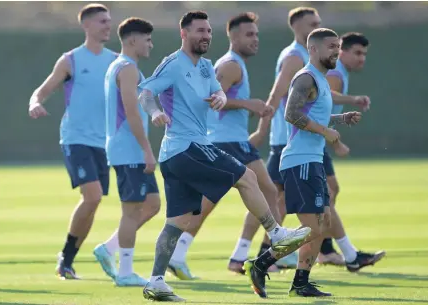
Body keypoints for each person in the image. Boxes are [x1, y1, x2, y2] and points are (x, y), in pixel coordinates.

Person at [138, 11, 311, 302]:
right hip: (186, 146)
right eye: (199, 31)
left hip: (180, 153)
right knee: (247, 177)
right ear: (184, 34)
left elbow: (218, 94)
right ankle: (276, 233)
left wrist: (219, 98)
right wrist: (156, 112)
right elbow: (145, 92)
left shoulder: (206, 66)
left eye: (208, 31)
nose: (205, 36)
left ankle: (156, 281)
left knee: (177, 222)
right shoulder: (173, 63)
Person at [245, 28, 364, 298]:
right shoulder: (306, 77)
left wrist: (340, 118)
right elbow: (291, 113)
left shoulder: (320, 80)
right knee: (312, 227)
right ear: (313, 49)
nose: (336, 51)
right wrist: (325, 132)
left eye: (338, 47)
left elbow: (315, 114)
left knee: (321, 223)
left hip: (312, 161)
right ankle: (261, 263)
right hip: (300, 162)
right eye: (331, 46)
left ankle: (300, 282)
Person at [166, 12, 281, 280]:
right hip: (226, 141)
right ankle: (261, 255)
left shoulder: (233, 63)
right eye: (249, 34)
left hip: (231, 140)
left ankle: (236, 255)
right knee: (265, 193)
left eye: (257, 34)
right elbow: (209, 98)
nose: (255, 40)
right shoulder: (231, 65)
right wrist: (248, 103)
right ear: (233, 37)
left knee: (217, 201)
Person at [28, 3, 117, 280]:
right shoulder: (71, 60)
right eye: (102, 21)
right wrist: (34, 103)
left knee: (95, 200)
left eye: (109, 21)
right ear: (86, 25)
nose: (108, 25)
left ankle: (66, 259)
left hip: (104, 143)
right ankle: (66, 258)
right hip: (75, 138)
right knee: (91, 196)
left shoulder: (116, 60)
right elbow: (42, 91)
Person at [93, 17, 161, 287]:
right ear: (133, 40)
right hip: (129, 150)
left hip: (128, 150)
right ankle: (125, 272)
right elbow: (132, 112)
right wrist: (147, 149)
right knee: (131, 212)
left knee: (153, 204)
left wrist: (157, 112)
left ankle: (108, 249)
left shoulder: (124, 67)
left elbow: (142, 101)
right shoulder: (127, 69)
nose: (151, 45)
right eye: (147, 39)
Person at [317, 32, 385, 267]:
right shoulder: (335, 73)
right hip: (307, 142)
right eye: (357, 53)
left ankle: (326, 250)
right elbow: (321, 105)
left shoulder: (339, 73)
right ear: (341, 52)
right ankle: (344, 254)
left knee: (328, 193)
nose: (361, 58)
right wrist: (336, 142)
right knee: (318, 198)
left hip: (314, 141)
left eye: (364, 54)